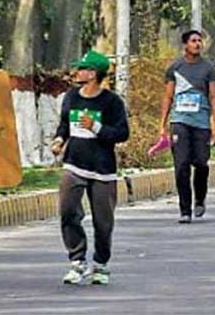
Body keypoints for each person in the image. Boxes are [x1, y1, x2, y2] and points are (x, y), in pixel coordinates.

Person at [52, 50, 130, 285]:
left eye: (83, 68)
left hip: (102, 169)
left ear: (94, 74)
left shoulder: (111, 102)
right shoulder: (71, 97)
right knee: (67, 211)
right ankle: (77, 261)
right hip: (74, 164)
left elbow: (122, 133)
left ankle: (101, 264)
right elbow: (65, 124)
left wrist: (96, 127)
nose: (77, 72)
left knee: (103, 222)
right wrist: (59, 140)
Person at [158, 30, 215, 224]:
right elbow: (168, 97)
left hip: (201, 123)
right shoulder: (175, 67)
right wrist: (162, 125)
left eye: (199, 41)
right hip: (180, 122)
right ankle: (185, 209)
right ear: (185, 45)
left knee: (201, 163)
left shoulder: (208, 68)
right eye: (193, 41)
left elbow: (213, 97)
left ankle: (200, 198)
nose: (197, 44)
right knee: (181, 166)